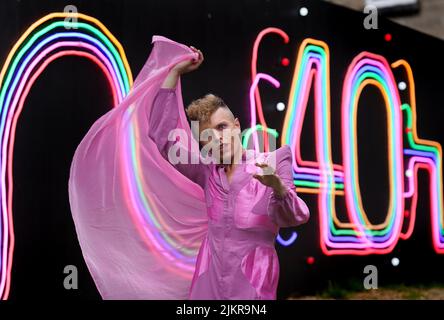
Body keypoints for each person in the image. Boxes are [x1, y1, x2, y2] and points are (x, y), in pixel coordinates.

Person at [148, 45, 310, 299]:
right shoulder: (206, 171)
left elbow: (296, 216)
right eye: (208, 136)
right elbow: (163, 139)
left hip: (253, 278)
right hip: (209, 277)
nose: (218, 138)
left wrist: (277, 186)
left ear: (236, 126)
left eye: (222, 127)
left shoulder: (275, 159)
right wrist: (175, 72)